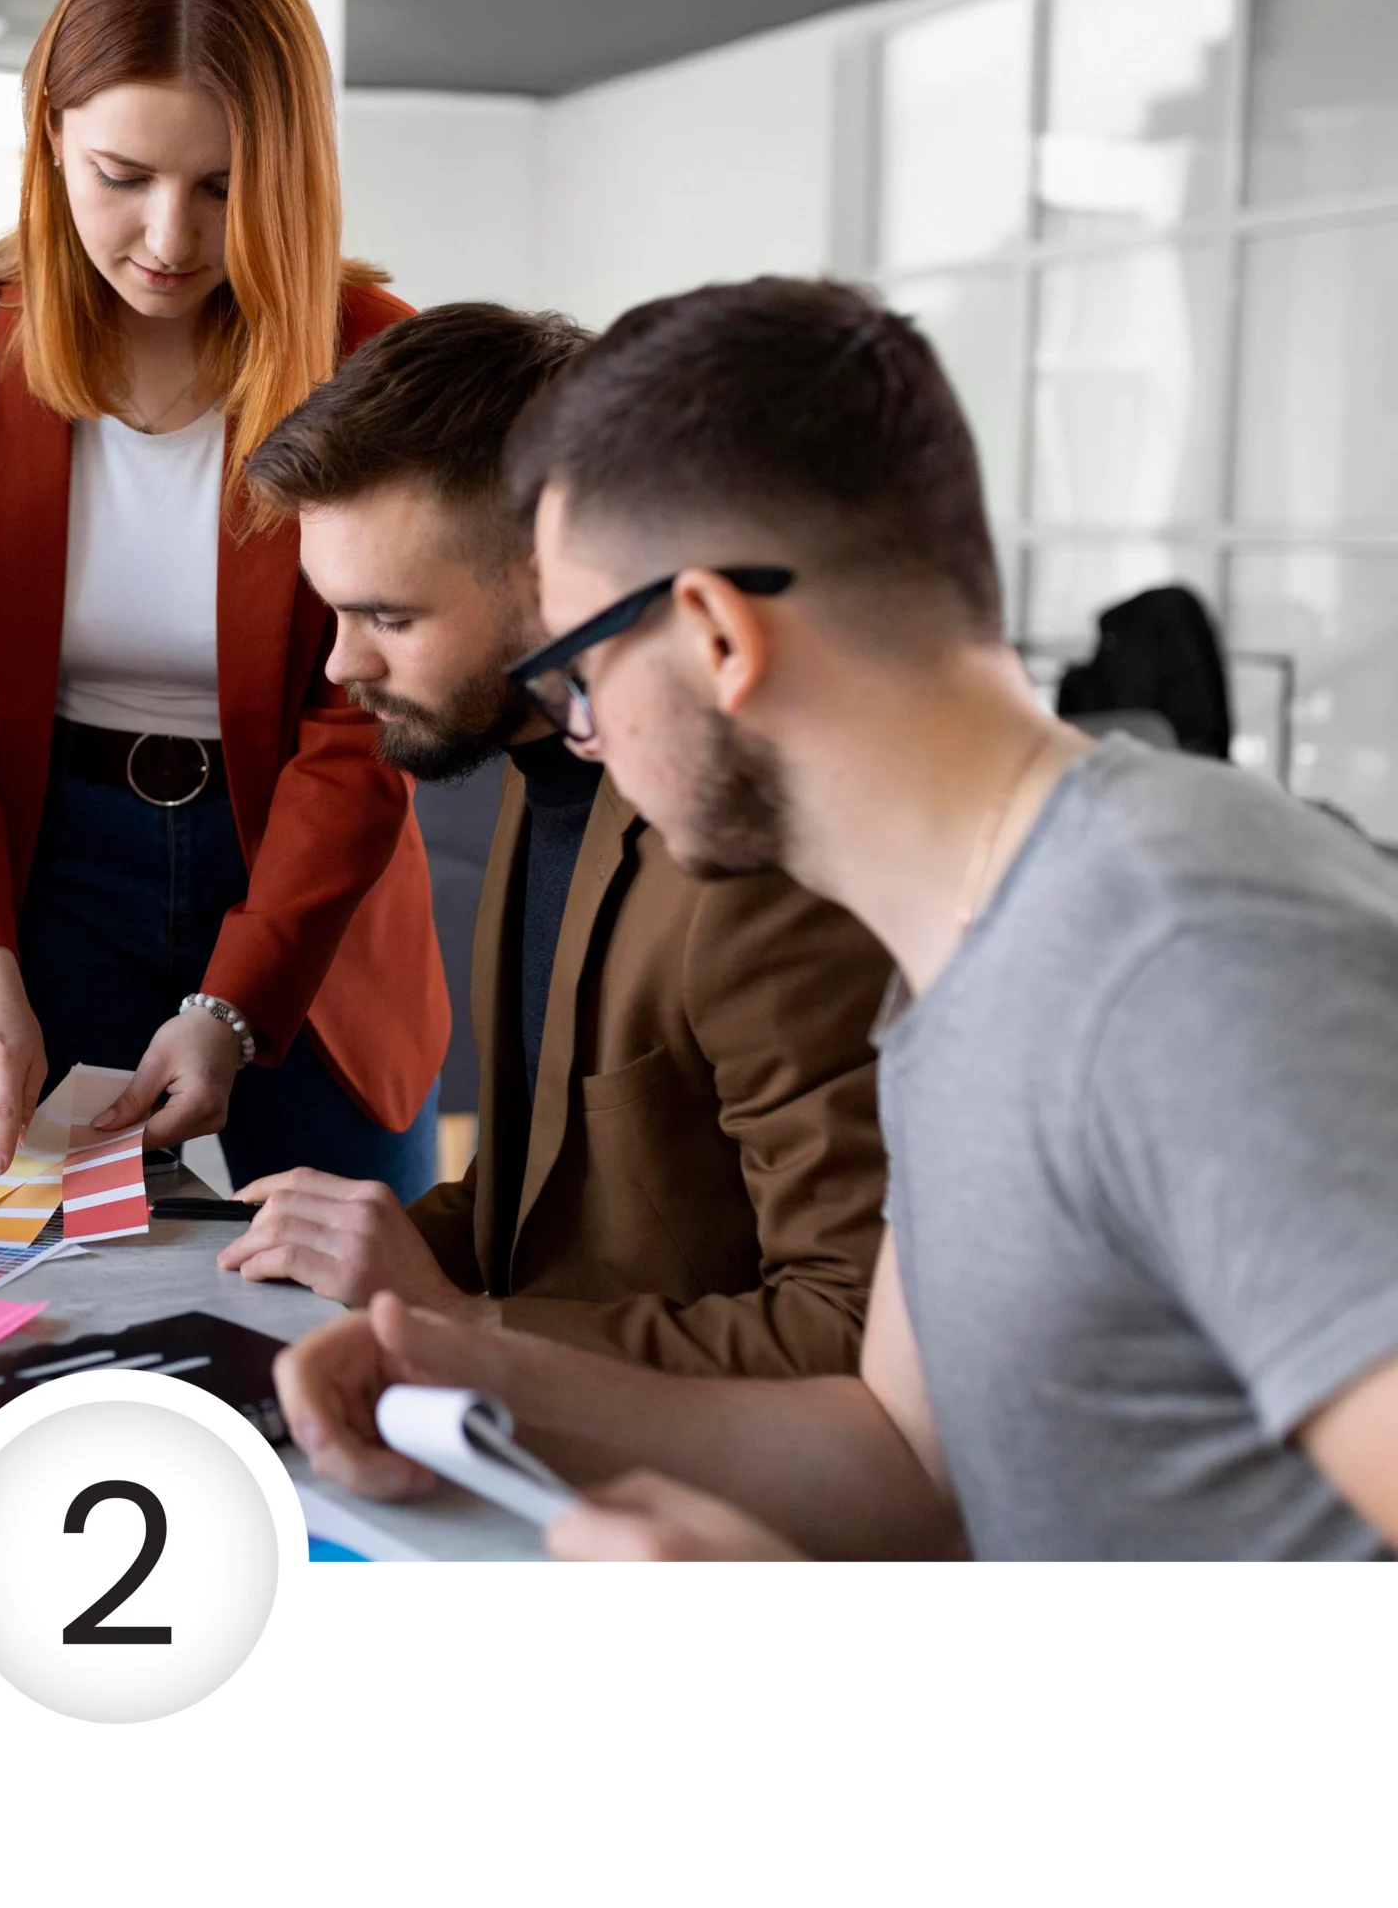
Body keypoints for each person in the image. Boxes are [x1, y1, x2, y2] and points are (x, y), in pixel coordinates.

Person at [274, 277, 1398, 1564]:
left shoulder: (1186, 959)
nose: (581, 732)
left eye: (580, 678)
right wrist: (463, 1366)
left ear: (713, 635)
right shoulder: (961, 959)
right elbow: (906, 1458)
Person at [0, 0, 448, 1189]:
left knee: (342, 1321)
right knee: (40, 1318)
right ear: (48, 141)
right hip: (40, 884)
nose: (170, 237)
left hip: (308, 905)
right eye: (122, 175)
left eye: (223, 186)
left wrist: (236, 1002)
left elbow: (364, 716)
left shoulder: (373, 354)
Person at [221, 303, 890, 1381]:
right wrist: (347, 1248)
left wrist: (460, 1327)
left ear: (552, 578)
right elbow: (540, 1198)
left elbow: (849, 1334)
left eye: (388, 619)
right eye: (331, 614)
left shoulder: (747, 868)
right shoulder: (541, 773)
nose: (341, 666)